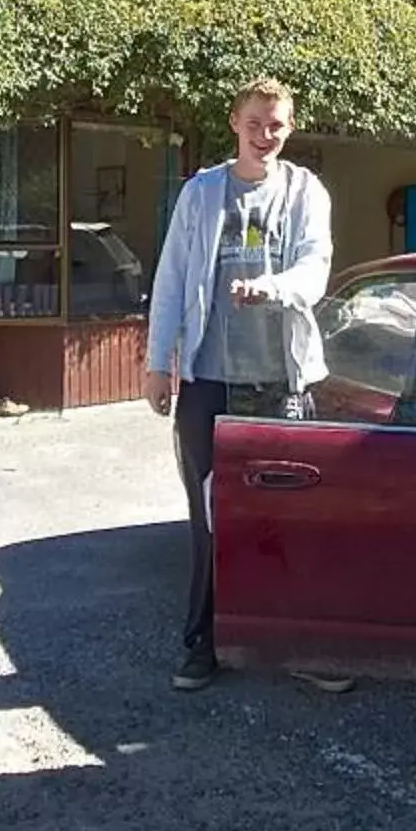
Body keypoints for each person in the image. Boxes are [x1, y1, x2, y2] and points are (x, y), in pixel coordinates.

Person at [143, 78, 352, 696]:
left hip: (282, 380)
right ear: (234, 122)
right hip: (210, 381)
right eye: (256, 123)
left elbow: (316, 265)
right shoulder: (202, 193)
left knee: (289, 520)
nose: (266, 136)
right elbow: (174, 279)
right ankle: (201, 643)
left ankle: (300, 646)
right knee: (209, 519)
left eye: (278, 126)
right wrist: (160, 364)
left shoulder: (305, 190)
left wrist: (276, 287)